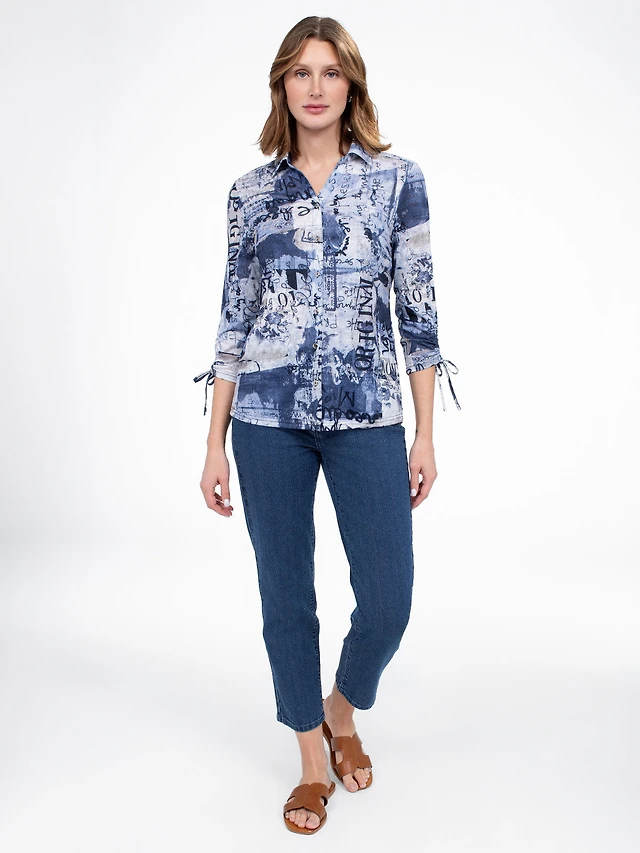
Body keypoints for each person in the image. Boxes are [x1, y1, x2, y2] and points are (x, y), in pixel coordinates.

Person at [192, 15, 461, 835]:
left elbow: (418, 314)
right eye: (301, 72)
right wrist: (213, 442)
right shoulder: (250, 194)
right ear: (282, 85)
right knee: (286, 595)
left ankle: (342, 706)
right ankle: (312, 756)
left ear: (352, 85)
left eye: (331, 72)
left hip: (367, 414)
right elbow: (235, 318)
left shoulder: (396, 181)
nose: (316, 87)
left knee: (388, 598)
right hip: (266, 418)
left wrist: (424, 433)